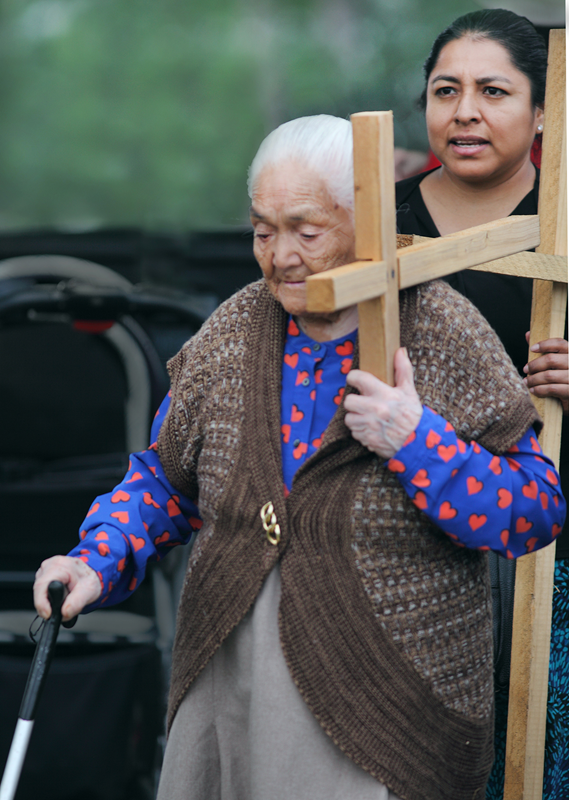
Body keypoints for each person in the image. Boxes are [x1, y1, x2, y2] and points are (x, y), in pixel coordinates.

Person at [34, 115, 565, 800]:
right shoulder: (232, 330)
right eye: (262, 229)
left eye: (305, 231)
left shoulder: (442, 330)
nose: (279, 255)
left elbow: (532, 511)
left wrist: (414, 440)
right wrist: (92, 561)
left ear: (365, 221)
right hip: (231, 677)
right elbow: (164, 484)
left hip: (386, 693)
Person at [394, 9, 568, 799]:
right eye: (445, 90)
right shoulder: (373, 224)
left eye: (492, 91)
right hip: (405, 552)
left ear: (541, 113)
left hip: (547, 557)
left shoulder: (566, 223)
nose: (462, 110)